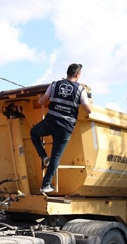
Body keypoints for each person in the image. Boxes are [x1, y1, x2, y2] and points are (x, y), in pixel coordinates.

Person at [30, 63, 93, 193]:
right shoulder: (80, 90)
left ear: (67, 72)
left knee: (34, 132)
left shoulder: (54, 85)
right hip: (65, 127)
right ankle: (45, 185)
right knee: (56, 157)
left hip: (50, 122)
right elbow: (88, 110)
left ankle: (43, 155)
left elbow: (41, 102)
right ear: (78, 75)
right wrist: (87, 98)